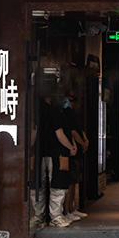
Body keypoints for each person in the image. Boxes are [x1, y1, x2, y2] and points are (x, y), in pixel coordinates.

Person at [29, 86, 77, 228]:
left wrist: (27, 148)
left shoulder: (36, 111)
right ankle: (55, 216)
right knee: (57, 184)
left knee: (38, 185)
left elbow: (33, 134)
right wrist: (71, 147)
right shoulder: (55, 112)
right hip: (56, 154)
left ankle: (39, 216)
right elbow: (59, 134)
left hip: (39, 153)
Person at [61, 91, 89, 222]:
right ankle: (67, 210)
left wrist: (85, 140)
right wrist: (82, 143)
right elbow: (73, 132)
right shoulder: (64, 113)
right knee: (70, 181)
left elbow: (79, 129)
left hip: (77, 150)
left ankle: (72, 208)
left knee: (74, 181)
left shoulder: (74, 113)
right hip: (72, 150)